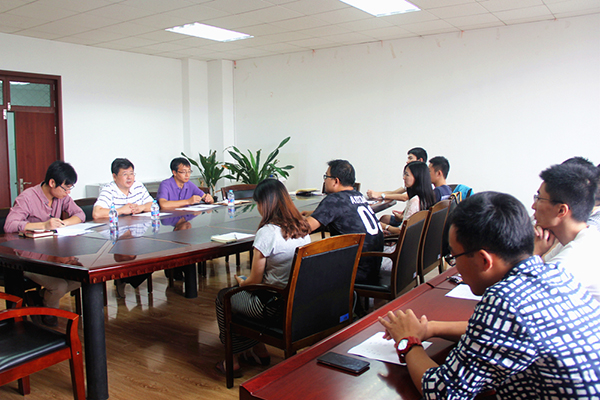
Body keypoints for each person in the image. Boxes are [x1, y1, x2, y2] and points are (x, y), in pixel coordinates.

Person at [379, 192, 600, 399]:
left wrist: (408, 342)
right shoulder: (555, 275)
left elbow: (443, 392)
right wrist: (429, 328)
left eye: (455, 256)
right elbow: (498, 333)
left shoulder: (506, 300)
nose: (455, 266)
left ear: (484, 260)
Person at [215, 179, 311, 377]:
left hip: (272, 307)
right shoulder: (302, 228)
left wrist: (243, 282)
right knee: (239, 294)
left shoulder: (267, 232)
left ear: (265, 204)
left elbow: (255, 281)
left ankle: (232, 360)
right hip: (298, 303)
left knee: (225, 297)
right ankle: (259, 350)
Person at [4, 160, 85, 326]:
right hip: (29, 258)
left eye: (70, 188)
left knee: (81, 278)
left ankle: (39, 299)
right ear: (52, 183)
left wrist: (63, 223)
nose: (68, 192)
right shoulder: (27, 197)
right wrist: (43, 225)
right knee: (59, 286)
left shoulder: (61, 197)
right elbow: (9, 225)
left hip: (53, 254)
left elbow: (80, 215)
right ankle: (48, 311)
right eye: (66, 188)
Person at [304, 159, 383, 285]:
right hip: (371, 267)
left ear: (336, 181)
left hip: (353, 270)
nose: (324, 180)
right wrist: (315, 213)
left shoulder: (334, 200)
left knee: (301, 262)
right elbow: (342, 211)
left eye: (326, 177)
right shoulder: (358, 195)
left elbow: (304, 228)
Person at [532, 162, 599, 301]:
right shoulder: (583, 237)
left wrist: (534, 253)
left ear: (561, 210)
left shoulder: (575, 258)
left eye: (539, 199)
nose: (533, 206)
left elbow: (520, 293)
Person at [93, 158, 153, 296]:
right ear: (114, 176)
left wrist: (141, 207)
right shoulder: (109, 190)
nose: (129, 178)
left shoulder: (138, 186)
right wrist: (121, 210)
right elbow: (97, 213)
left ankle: (124, 278)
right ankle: (122, 276)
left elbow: (152, 205)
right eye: (125, 174)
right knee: (136, 258)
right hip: (117, 237)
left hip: (137, 235)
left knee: (152, 257)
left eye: (132, 173)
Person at [366, 147, 428, 226]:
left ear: (420, 160)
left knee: (375, 223)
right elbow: (395, 192)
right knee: (384, 218)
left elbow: (405, 197)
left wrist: (380, 195)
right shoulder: (412, 181)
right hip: (410, 223)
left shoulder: (422, 182)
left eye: (410, 158)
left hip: (408, 228)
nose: (407, 161)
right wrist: (376, 193)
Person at [382, 161, 435, 235]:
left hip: (404, 241)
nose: (404, 178)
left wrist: (384, 226)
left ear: (417, 177)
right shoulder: (428, 196)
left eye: (407, 175)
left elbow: (401, 231)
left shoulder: (415, 201)